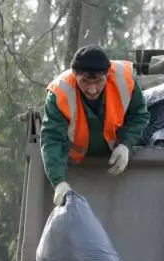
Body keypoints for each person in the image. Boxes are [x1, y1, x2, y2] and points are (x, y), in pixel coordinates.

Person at [41, 44, 151, 206]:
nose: (92, 90)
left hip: (116, 158)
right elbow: (52, 139)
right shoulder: (59, 93)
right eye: (85, 81)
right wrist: (59, 182)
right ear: (74, 75)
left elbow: (139, 116)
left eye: (99, 81)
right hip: (76, 164)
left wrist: (126, 145)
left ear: (108, 74)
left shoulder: (125, 82)